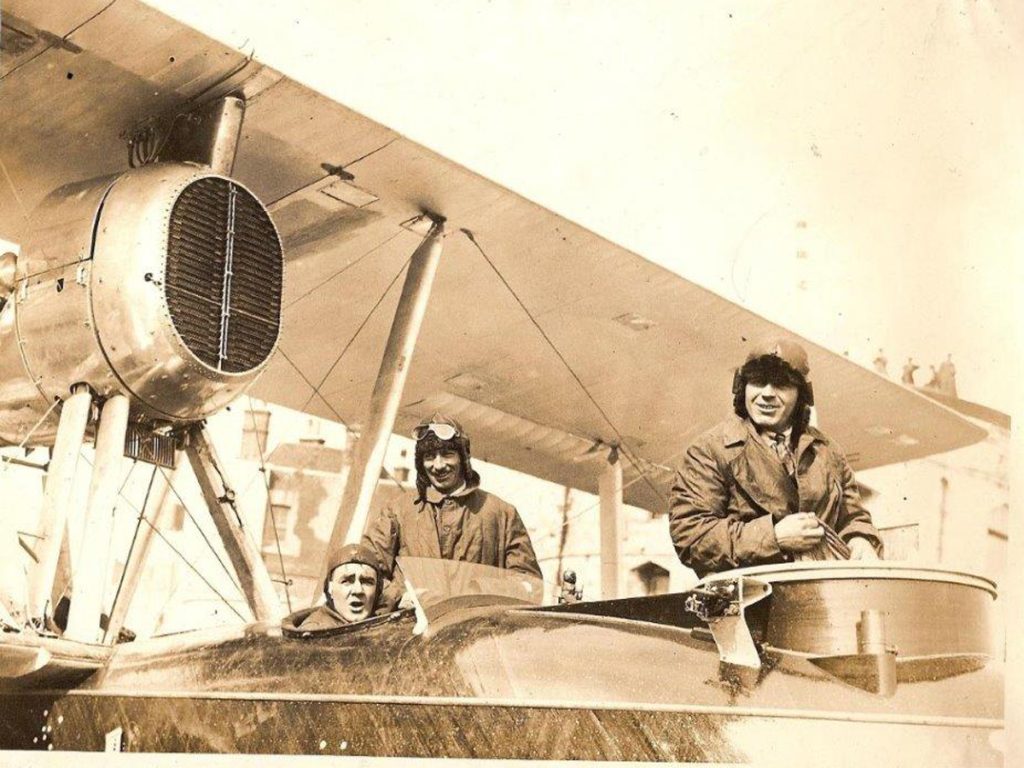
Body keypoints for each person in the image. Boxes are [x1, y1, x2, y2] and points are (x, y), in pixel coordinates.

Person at [669, 338, 883, 577]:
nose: (767, 394)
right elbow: (692, 536)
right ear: (743, 387)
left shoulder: (828, 451)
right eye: (758, 382)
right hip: (747, 604)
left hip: (825, 597)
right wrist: (774, 537)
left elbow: (853, 517)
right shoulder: (709, 450)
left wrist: (861, 539)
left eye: (781, 384)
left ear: (801, 395)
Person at [362, 414, 542, 603]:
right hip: (412, 627)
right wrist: (399, 597)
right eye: (429, 457)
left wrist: (480, 590)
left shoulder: (501, 513)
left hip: (478, 626)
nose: (438, 465)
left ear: (464, 457)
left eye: (448, 454)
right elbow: (366, 570)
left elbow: (530, 584)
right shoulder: (398, 510)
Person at [298, 543, 388, 630]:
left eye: (367, 582)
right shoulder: (314, 631)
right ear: (330, 588)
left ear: (378, 590)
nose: (358, 590)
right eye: (347, 581)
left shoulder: (384, 628)